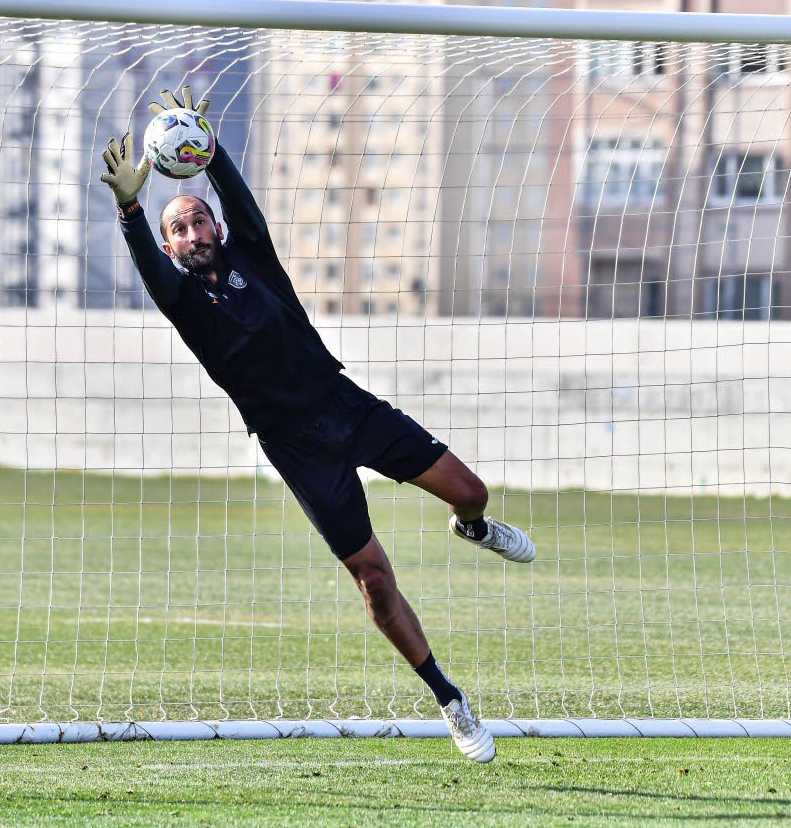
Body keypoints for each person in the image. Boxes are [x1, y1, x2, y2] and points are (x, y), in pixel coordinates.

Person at [100, 87, 535, 764]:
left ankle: (472, 528)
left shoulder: (254, 255)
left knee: (471, 493)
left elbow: (238, 199)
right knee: (374, 578)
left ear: (216, 228)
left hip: (346, 406)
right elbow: (150, 268)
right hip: (295, 447)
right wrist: (131, 209)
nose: (192, 232)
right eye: (177, 229)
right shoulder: (180, 298)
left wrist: (209, 148)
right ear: (169, 244)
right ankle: (450, 700)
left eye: (199, 221)